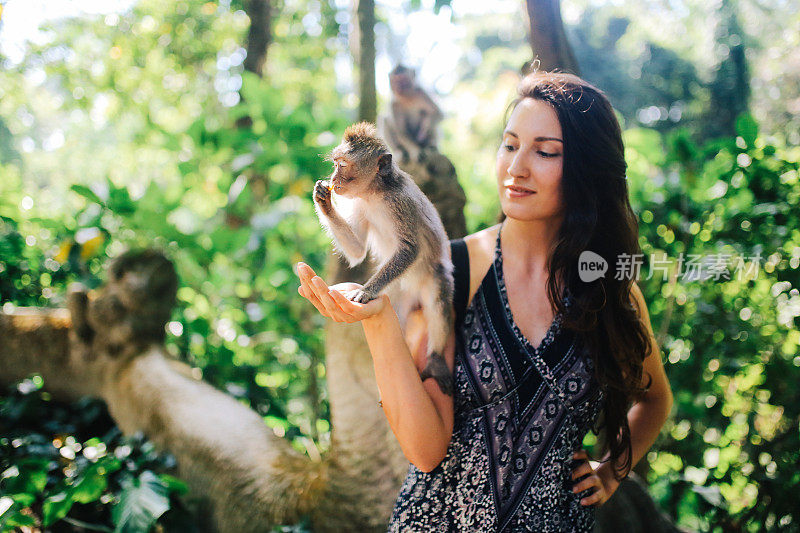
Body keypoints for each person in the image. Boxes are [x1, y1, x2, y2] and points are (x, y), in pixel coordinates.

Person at [296, 70, 673, 532]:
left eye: (545, 152)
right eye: (510, 145)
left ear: (585, 169)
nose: (517, 168)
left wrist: (611, 472)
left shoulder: (608, 290)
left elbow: (654, 400)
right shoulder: (454, 269)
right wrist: (378, 322)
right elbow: (425, 449)